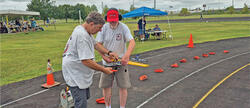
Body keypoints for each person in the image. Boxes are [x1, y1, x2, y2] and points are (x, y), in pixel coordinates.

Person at [62, 12, 119, 108]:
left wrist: (109, 53)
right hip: (75, 74)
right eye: (99, 27)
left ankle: (72, 100)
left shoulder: (84, 31)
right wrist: (104, 69)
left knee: (83, 97)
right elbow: (86, 61)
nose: (100, 30)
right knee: (81, 103)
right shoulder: (82, 36)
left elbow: (96, 44)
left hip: (78, 72)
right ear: (91, 24)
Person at [96, 8, 135, 108]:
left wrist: (127, 55)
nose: (113, 22)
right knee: (106, 87)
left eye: (115, 20)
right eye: (111, 20)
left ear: (119, 18)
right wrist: (103, 56)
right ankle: (108, 106)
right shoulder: (104, 28)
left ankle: (122, 107)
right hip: (107, 63)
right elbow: (98, 44)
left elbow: (132, 42)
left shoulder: (123, 27)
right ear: (107, 19)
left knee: (123, 87)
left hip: (121, 63)